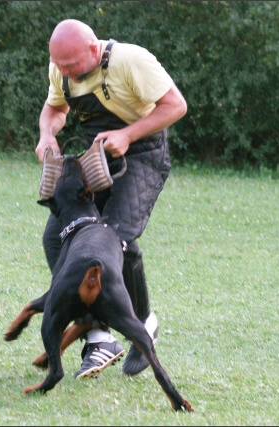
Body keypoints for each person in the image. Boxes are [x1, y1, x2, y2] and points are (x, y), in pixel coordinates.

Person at [34, 19, 187, 379]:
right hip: (97, 154)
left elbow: (175, 106)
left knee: (117, 237)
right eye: (59, 65)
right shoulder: (62, 68)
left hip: (143, 153)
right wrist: (46, 135)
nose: (64, 72)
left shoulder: (130, 61)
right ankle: (99, 334)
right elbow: (55, 109)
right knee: (58, 237)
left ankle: (143, 322)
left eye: (70, 65)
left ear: (92, 49)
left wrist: (129, 135)